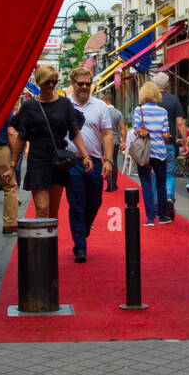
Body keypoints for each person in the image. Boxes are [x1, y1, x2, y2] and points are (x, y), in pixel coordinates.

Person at [9, 65, 94, 225]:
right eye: (47, 82)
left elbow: (74, 132)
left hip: (58, 159)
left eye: (54, 82)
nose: (51, 85)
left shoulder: (64, 104)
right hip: (37, 159)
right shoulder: (29, 107)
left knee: (53, 211)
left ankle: (50, 248)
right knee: (42, 208)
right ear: (39, 82)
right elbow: (21, 136)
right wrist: (12, 164)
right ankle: (42, 248)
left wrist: (85, 156)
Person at [63, 69, 114, 262]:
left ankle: (82, 231)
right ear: (73, 83)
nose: (84, 87)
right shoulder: (65, 105)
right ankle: (80, 246)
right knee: (77, 204)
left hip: (94, 160)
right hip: (72, 162)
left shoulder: (100, 106)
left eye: (87, 83)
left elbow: (107, 133)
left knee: (95, 201)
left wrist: (108, 160)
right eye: (80, 83)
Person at [130, 81, 172, 226]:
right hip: (160, 152)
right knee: (161, 183)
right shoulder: (163, 112)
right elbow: (166, 134)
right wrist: (164, 135)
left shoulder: (138, 110)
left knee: (146, 183)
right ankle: (162, 215)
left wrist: (145, 130)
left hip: (144, 152)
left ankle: (149, 218)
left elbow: (136, 130)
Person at [151, 72, 187, 218]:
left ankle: (156, 204)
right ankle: (169, 198)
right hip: (170, 143)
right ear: (167, 85)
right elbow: (179, 122)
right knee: (169, 173)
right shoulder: (174, 100)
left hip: (153, 144)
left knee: (155, 174)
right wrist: (185, 141)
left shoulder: (151, 100)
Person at [101, 88, 125, 192]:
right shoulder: (118, 113)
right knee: (114, 161)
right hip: (115, 140)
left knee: (106, 160)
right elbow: (123, 128)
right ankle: (113, 184)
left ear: (105, 99)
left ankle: (109, 184)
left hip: (104, 141)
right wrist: (124, 141)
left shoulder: (102, 112)